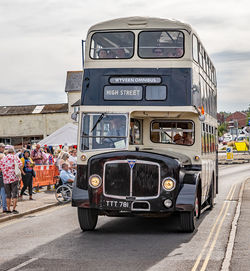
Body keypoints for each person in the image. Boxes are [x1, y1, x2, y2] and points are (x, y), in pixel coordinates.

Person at [0, 147, 23, 214]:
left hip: (6, 179)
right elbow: (21, 165)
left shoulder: (3, 159)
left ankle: (8, 209)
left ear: (7, 152)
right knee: (14, 195)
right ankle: (14, 209)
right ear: (13, 152)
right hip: (14, 178)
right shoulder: (15, 157)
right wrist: (21, 172)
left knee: (8, 195)